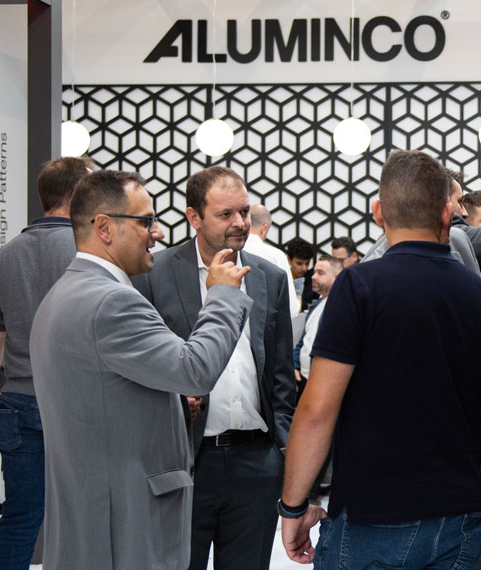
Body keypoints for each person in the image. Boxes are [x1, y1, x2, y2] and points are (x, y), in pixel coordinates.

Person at [280, 150, 481, 568]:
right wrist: (465, 483)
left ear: (378, 212)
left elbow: (317, 409)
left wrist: (292, 506)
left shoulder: (358, 287)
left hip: (371, 515)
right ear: (447, 214)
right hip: (457, 516)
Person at [29, 170, 252, 570]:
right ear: (104, 227)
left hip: (94, 520)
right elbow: (195, 370)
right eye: (146, 221)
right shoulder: (111, 301)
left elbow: (102, 399)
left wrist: (175, 406)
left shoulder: (65, 293)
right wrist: (221, 295)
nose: (158, 233)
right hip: (124, 527)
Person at [133, 166, 296, 570]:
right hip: (186, 458)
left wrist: (282, 455)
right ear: (194, 217)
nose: (240, 222)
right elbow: (143, 366)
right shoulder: (155, 274)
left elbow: (280, 379)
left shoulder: (270, 277)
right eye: (225, 214)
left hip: (256, 462)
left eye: (244, 211)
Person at [0, 156, 91, 568]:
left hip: (18, 400)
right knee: (84, 517)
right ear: (78, 195)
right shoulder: (88, 251)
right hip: (78, 402)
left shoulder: (3, 257)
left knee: (20, 517)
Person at [293, 255, 343, 398]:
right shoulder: (317, 304)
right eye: (314, 272)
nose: (313, 277)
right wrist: (295, 365)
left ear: (337, 277)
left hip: (322, 384)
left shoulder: (340, 308)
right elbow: (304, 340)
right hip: (304, 379)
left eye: (320, 273)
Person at [243, 204, 299, 317]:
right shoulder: (276, 256)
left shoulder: (228, 252)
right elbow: (291, 307)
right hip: (266, 323)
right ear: (264, 228)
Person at [285, 237, 317, 312]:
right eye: (299, 263)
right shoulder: (283, 278)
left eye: (307, 264)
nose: (304, 268)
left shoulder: (314, 279)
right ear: (289, 260)